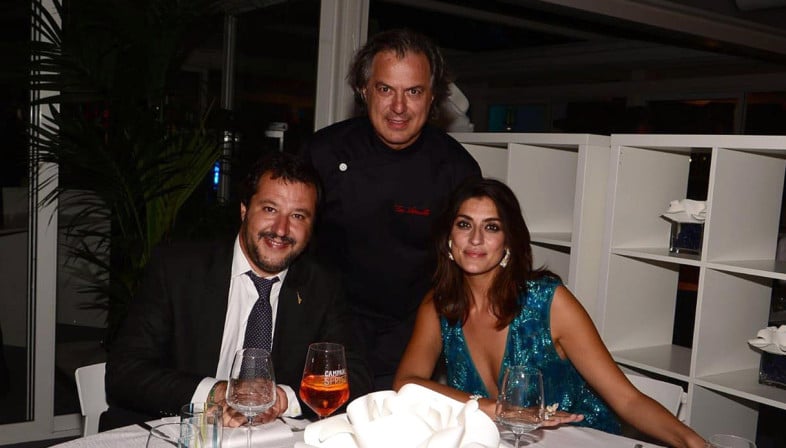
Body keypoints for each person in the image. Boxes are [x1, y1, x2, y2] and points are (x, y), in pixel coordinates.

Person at [393, 178, 707, 448]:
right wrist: (491, 408)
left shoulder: (549, 303)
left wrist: (694, 443)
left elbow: (627, 399)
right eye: (464, 225)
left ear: (509, 241)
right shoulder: (440, 304)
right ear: (449, 238)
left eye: (491, 227)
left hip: (580, 440)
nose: (475, 239)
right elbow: (406, 384)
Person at [103, 152, 371, 429]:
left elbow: (355, 376)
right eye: (270, 209)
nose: (281, 229)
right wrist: (219, 392)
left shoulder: (322, 286)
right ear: (244, 210)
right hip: (177, 431)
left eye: (297, 216)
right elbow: (125, 372)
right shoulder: (178, 270)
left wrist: (282, 398)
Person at [302, 28, 481, 390]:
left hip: (408, 343)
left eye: (413, 91)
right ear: (364, 90)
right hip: (324, 333)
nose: (399, 107)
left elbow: (469, 265)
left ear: (433, 97)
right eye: (385, 89)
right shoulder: (322, 154)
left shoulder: (457, 170)